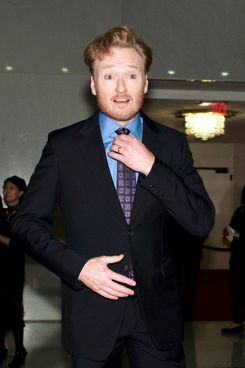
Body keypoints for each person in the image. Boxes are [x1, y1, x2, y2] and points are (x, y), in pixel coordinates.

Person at [12, 26, 215, 368]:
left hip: (157, 317)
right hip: (91, 310)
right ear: (93, 84)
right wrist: (79, 268)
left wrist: (152, 167)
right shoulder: (64, 147)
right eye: (109, 76)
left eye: (131, 75)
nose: (120, 88)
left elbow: (200, 221)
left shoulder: (170, 145)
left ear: (146, 83)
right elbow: (26, 223)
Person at [0, 175, 27, 367]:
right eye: (4, 188)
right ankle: (1, 347)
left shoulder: (24, 215)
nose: (6, 192)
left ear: (21, 192)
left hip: (13, 269)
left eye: (10, 188)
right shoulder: (2, 213)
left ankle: (20, 349)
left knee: (14, 309)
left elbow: (18, 245)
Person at [222, 185, 245, 334]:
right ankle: (237, 321)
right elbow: (230, 234)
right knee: (236, 289)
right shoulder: (240, 211)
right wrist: (228, 232)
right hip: (238, 257)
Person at [171, 222, 205, 321]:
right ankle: (178, 310)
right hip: (179, 250)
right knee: (177, 282)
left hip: (190, 250)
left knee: (190, 283)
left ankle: (186, 311)